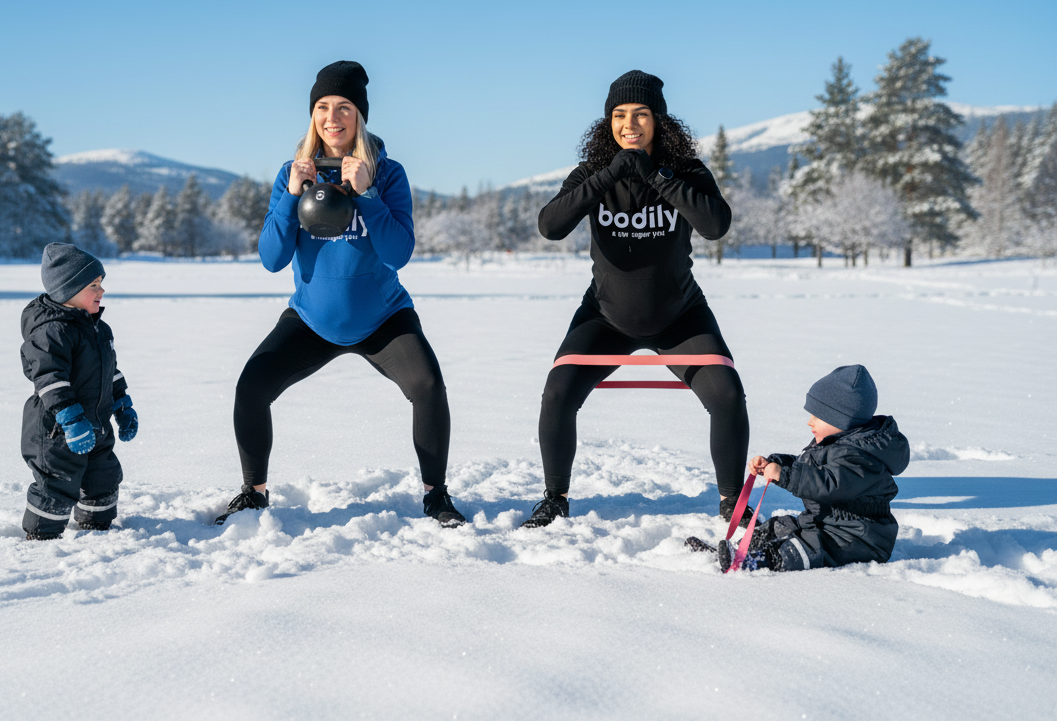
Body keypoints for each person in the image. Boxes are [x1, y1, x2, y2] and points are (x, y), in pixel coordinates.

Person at [216, 60, 466, 527]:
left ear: (361, 116)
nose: (333, 117)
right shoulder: (292, 173)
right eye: (323, 107)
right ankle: (253, 493)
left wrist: (367, 195)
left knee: (428, 387)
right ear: (313, 116)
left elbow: (398, 253)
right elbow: (271, 258)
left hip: (383, 318)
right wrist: (292, 195)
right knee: (251, 388)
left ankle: (436, 496)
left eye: (344, 107)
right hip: (312, 320)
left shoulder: (388, 174)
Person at [522, 70, 749, 528]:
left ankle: (731, 504)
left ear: (659, 121)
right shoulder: (591, 174)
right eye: (620, 115)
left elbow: (715, 225)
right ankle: (555, 498)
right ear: (608, 122)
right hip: (605, 317)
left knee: (727, 396)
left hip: (680, 316)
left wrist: (656, 176)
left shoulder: (686, 171)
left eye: (641, 114)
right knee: (558, 393)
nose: (630, 123)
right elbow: (550, 226)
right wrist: (611, 174)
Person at [702, 364, 910, 572]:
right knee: (779, 527)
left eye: (818, 416)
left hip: (858, 538)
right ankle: (738, 551)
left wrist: (784, 476)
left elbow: (828, 483)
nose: (810, 422)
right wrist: (775, 463)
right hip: (825, 524)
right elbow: (807, 465)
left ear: (842, 418)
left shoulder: (861, 459)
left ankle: (762, 560)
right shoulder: (839, 441)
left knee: (806, 548)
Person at [19, 243, 138, 540]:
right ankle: (41, 538)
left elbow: (109, 371)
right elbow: (49, 378)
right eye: (94, 285)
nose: (102, 291)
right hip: (57, 430)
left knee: (104, 477)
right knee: (57, 483)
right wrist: (70, 419)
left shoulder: (99, 329)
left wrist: (123, 405)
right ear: (66, 289)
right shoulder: (51, 331)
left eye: (101, 283)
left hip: (97, 423)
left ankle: (97, 531)